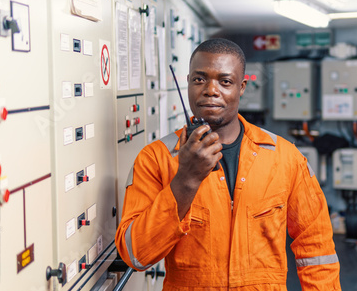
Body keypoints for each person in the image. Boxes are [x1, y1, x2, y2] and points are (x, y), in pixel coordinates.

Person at [116, 38, 341, 290]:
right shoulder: (156, 159)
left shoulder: (285, 157)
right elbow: (136, 254)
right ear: (188, 83)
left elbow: (316, 248)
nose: (211, 90)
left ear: (242, 87)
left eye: (225, 82)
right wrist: (185, 181)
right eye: (199, 80)